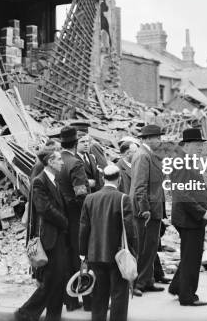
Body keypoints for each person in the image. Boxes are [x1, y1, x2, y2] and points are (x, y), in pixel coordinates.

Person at [15, 151, 69, 321]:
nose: (62, 162)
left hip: (58, 235)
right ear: (50, 162)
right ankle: (25, 313)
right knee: (51, 279)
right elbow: (44, 208)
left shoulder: (54, 180)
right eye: (59, 159)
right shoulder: (39, 181)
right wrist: (65, 222)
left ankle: (53, 315)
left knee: (58, 278)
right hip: (49, 237)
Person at [79, 164, 137, 321]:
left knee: (99, 294)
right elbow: (130, 230)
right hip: (117, 254)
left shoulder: (90, 198)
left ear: (103, 178)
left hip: (94, 254)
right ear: (119, 180)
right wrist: (133, 251)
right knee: (119, 293)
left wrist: (83, 252)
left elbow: (84, 228)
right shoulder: (123, 198)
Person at [168, 128, 207, 306]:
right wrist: (202, 212)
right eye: (197, 144)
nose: (200, 148)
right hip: (189, 219)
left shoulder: (186, 160)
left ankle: (177, 287)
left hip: (190, 218)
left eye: (201, 145)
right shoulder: (182, 162)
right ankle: (186, 296)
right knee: (192, 257)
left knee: (189, 254)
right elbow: (182, 195)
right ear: (186, 144)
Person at [129, 124, 166, 296]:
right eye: (157, 137)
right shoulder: (143, 156)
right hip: (145, 211)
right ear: (147, 139)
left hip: (153, 208)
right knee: (142, 248)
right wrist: (144, 210)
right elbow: (139, 186)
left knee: (150, 247)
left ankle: (148, 280)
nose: (160, 140)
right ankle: (137, 283)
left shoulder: (149, 155)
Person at [56, 126, 90, 311]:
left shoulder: (56, 161)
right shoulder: (75, 163)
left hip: (61, 217)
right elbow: (81, 193)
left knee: (68, 258)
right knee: (83, 258)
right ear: (76, 144)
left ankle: (70, 301)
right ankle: (88, 301)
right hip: (76, 217)